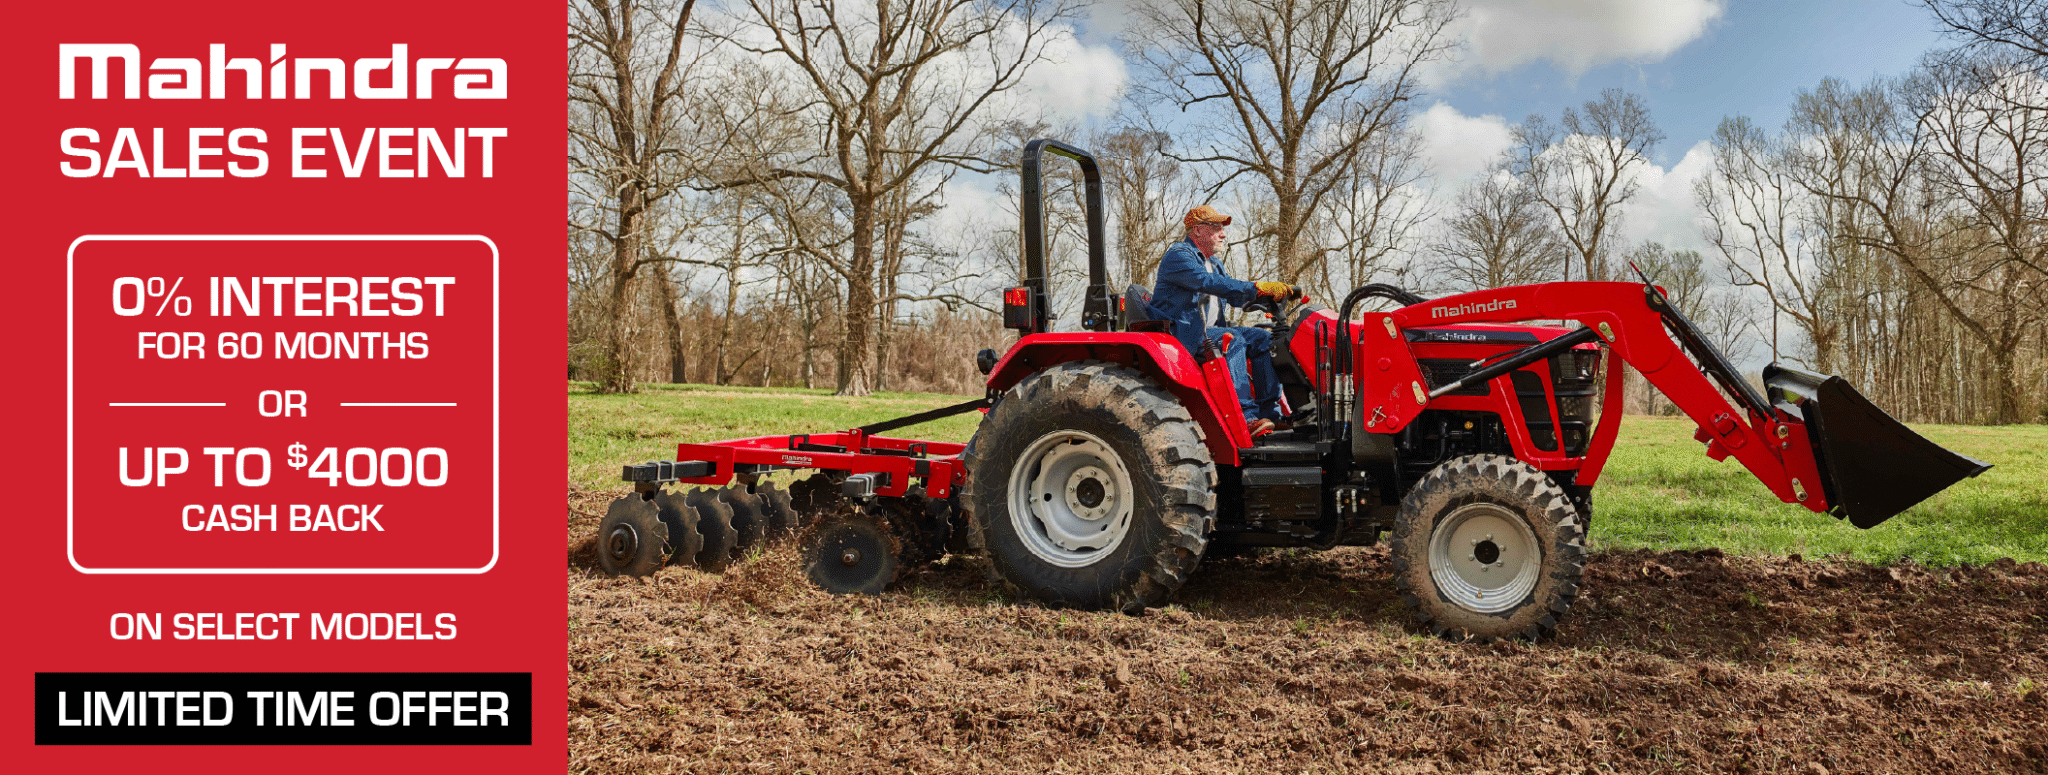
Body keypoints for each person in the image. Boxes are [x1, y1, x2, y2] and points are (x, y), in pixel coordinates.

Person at [1148, 205, 1298, 436]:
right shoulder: (1179, 255)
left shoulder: (1215, 264)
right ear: (1198, 230)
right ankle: (1246, 418)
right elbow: (1207, 283)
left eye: (1222, 229)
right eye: (1216, 228)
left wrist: (1268, 294)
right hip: (1183, 334)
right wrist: (1255, 286)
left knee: (1263, 339)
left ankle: (1271, 414)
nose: (1223, 234)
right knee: (1232, 339)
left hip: (1209, 331)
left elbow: (1233, 295)